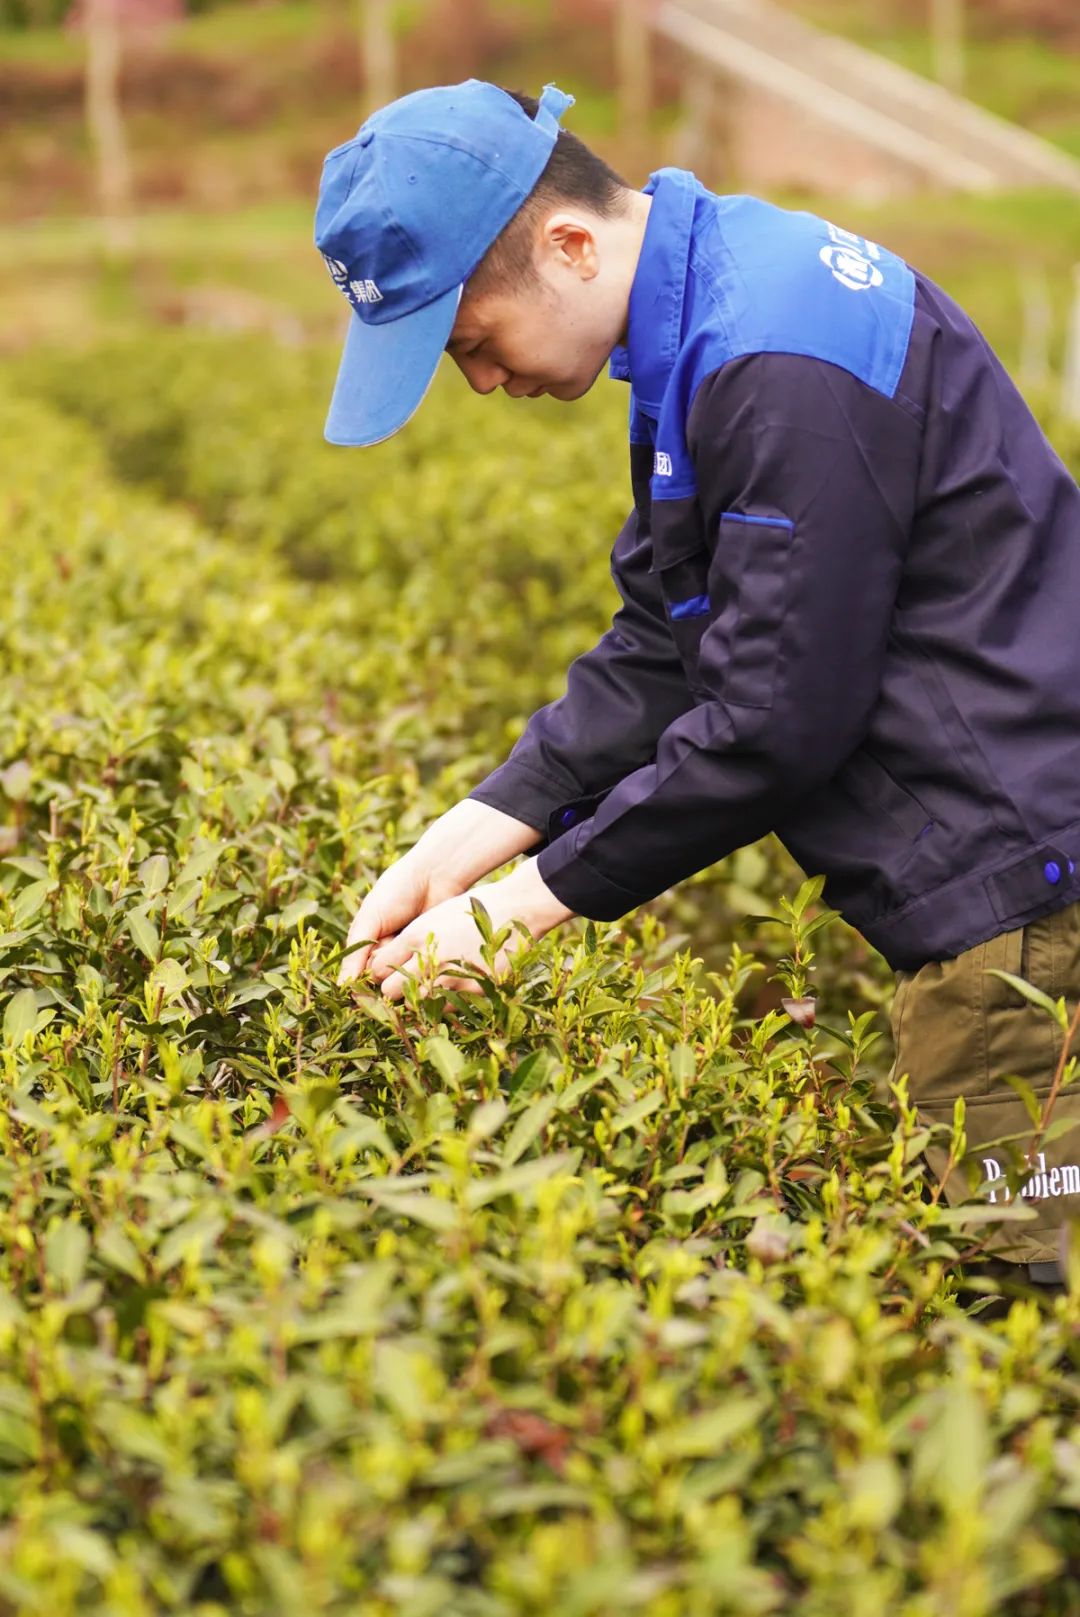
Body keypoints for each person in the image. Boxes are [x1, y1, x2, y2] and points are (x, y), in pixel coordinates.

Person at [313, 78, 1080, 1289]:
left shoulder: (774, 359)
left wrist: (518, 916)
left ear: (567, 247)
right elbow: (675, 634)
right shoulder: (717, 305)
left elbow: (776, 720)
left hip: (1026, 884)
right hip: (1003, 846)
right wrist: (469, 837)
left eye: (470, 342)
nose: (484, 383)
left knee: (1022, 1297)